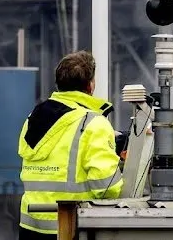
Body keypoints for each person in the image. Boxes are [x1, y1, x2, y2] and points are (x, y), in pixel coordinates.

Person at [18, 51, 123, 239]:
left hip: (31, 228)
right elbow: (107, 188)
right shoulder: (93, 123)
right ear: (90, 86)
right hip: (71, 228)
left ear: (59, 84)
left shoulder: (32, 118)